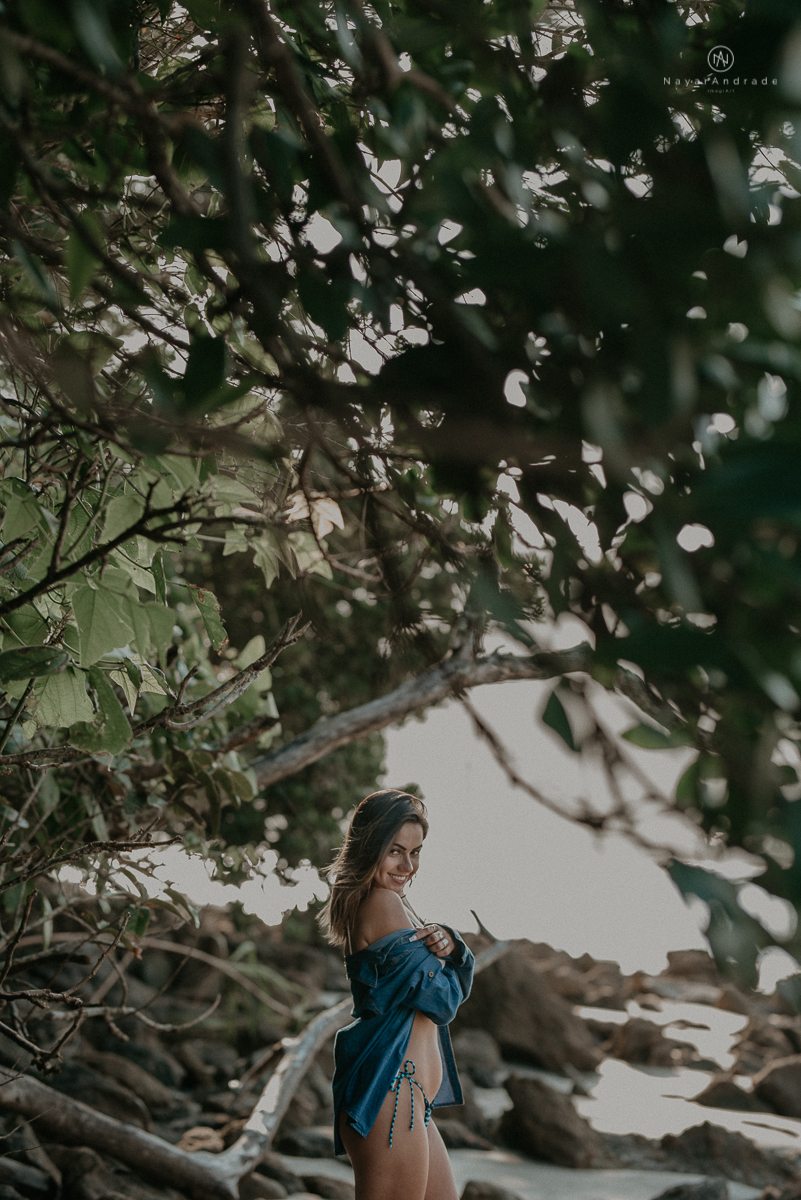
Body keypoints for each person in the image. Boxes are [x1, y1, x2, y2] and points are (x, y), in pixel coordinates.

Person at [318, 789, 475, 1200]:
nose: (408, 865)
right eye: (395, 851)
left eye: (416, 851)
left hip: (408, 1099)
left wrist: (452, 947)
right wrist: (458, 953)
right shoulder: (382, 902)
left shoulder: (392, 904)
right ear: (370, 848)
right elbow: (442, 1003)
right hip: (391, 1092)